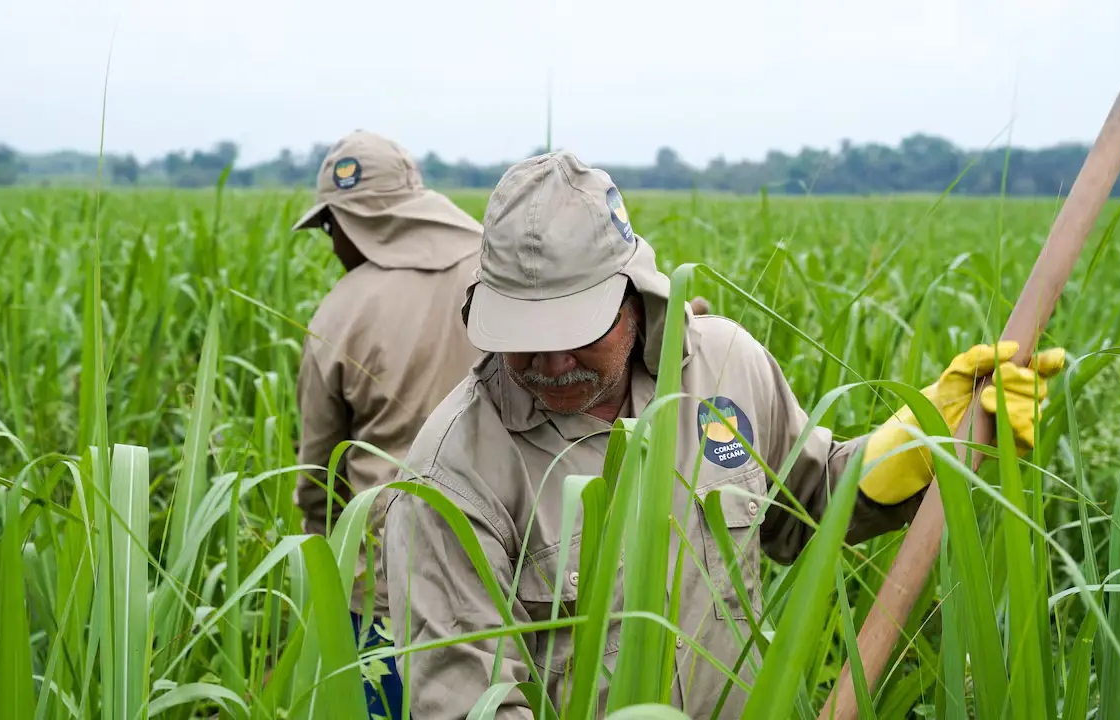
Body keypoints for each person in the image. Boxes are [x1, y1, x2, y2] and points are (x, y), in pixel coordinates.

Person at [380, 150, 1064, 719]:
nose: (551, 365)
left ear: (634, 296)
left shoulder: (726, 365)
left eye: (576, 334)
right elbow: (465, 704)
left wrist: (916, 447)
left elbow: (805, 507)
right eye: (525, 340)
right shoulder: (449, 477)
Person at [291, 129, 485, 719]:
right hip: (519, 575)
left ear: (354, 225)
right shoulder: (507, 276)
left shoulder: (341, 312)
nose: (332, 246)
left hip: (387, 593)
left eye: (332, 228)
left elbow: (319, 482)